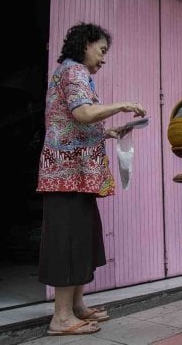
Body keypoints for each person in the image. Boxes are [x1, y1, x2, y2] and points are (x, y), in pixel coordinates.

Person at [36, 23, 146, 336]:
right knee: (67, 241)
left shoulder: (72, 73)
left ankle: (77, 306)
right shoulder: (74, 72)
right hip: (66, 174)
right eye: (102, 50)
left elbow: (76, 122)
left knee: (80, 238)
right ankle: (61, 318)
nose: (103, 58)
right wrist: (123, 105)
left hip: (76, 175)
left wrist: (108, 132)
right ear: (85, 45)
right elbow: (83, 113)